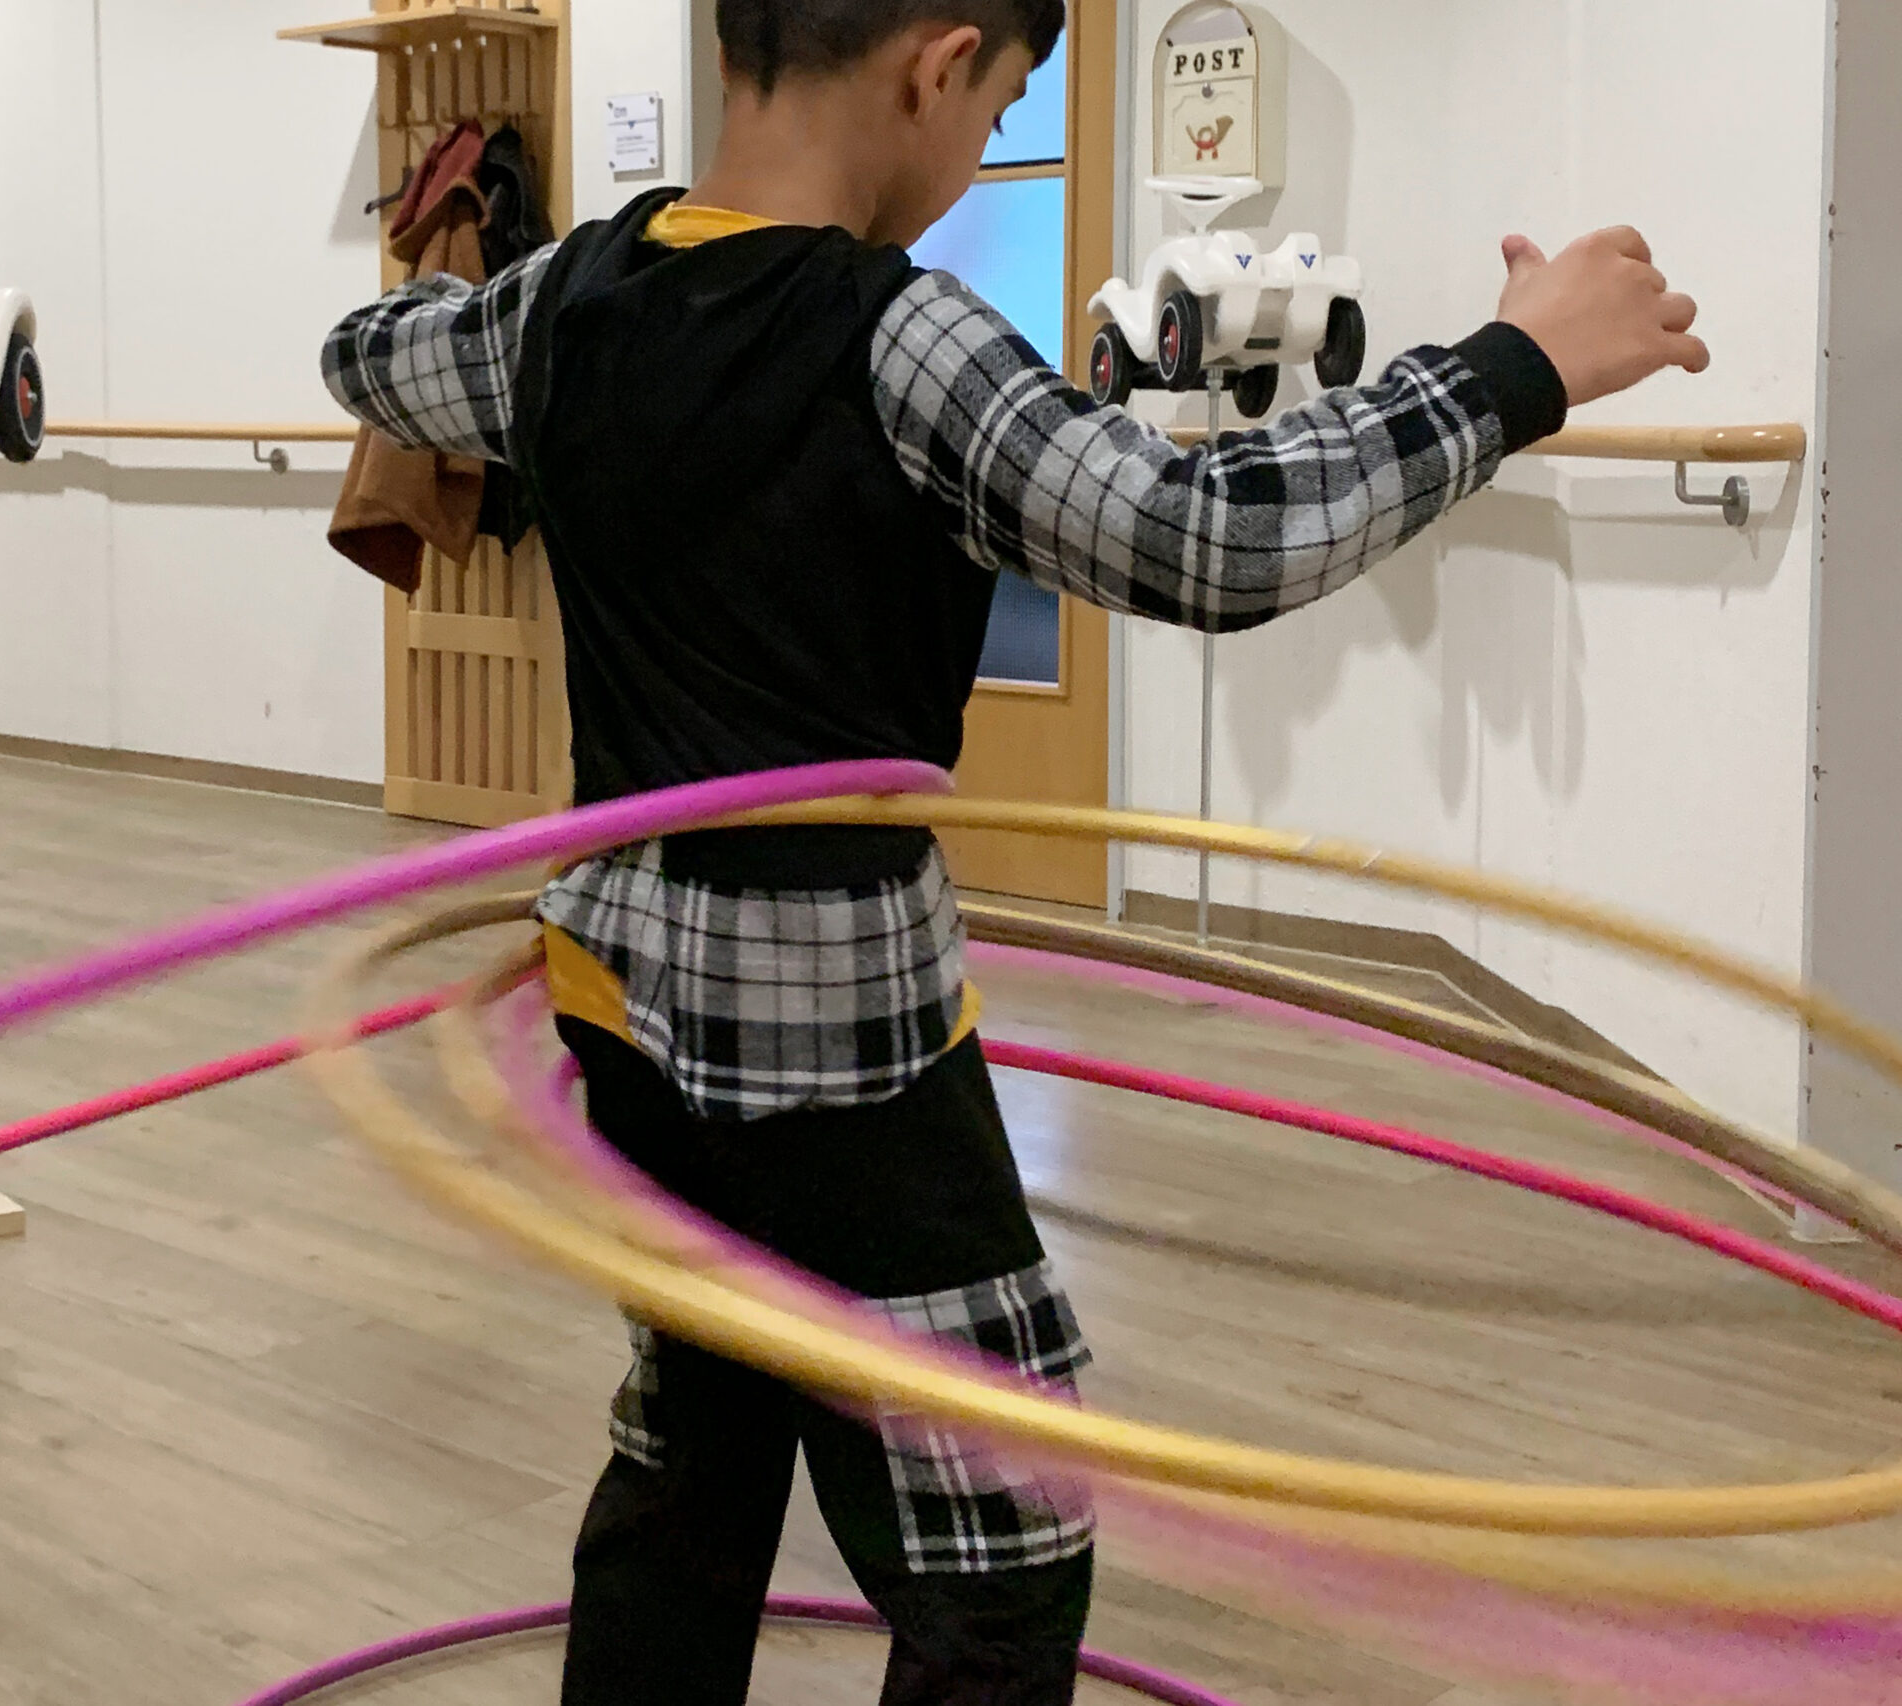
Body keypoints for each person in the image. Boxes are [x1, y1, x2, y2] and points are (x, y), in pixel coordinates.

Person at [321, 3, 1707, 1700]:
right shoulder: (897, 338)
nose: (984, 145)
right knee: (1003, 1540)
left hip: (616, 997)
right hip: (844, 1049)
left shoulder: (567, 301)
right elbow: (1205, 536)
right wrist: (1515, 367)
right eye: (1001, 104)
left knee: (705, 1437)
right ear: (935, 60)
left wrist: (479, 327)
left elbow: (369, 352)